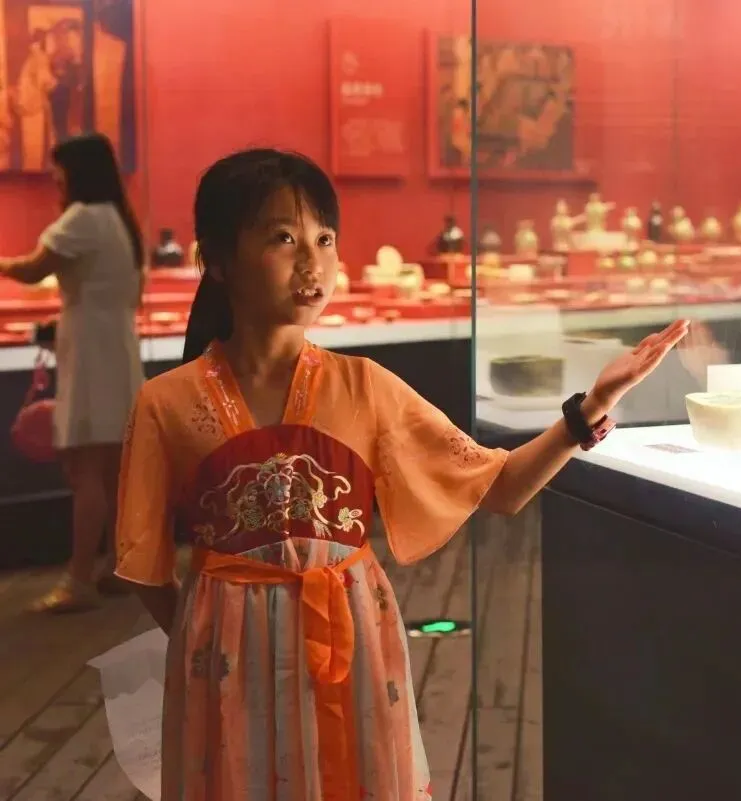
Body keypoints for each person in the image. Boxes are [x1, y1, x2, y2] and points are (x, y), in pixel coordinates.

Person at [113, 147, 687, 800]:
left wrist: (589, 409)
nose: (313, 263)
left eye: (325, 239)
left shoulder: (365, 387)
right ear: (215, 259)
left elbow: (499, 486)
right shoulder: (166, 403)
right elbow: (141, 565)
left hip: (352, 647)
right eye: (283, 238)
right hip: (224, 664)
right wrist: (211, 635)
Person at [1, 132, 145, 612]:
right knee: (111, 472)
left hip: (91, 354)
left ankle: (78, 579)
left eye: (59, 172)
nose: (55, 180)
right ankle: (119, 567)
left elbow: (32, 269)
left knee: (85, 470)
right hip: (115, 349)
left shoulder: (83, 217)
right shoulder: (118, 218)